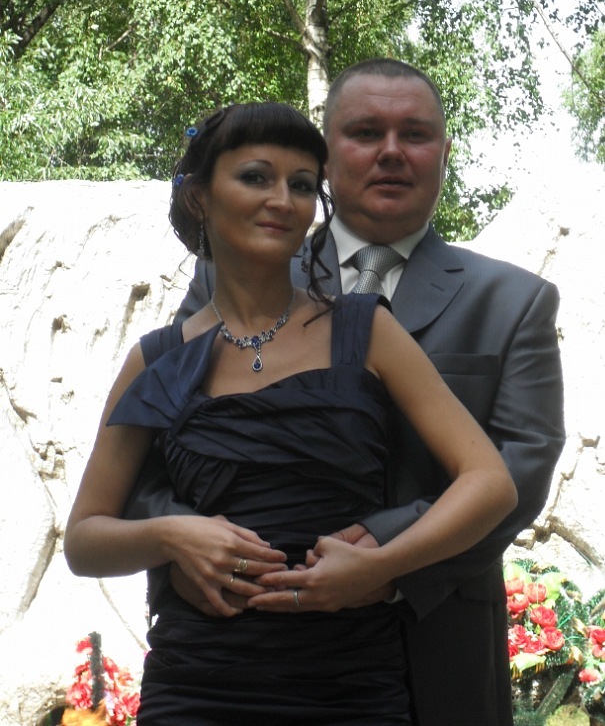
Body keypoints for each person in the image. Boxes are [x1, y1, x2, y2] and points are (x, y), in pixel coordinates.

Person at [64, 101, 518, 725]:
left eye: (302, 185)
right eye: (256, 177)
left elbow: (490, 484)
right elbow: (84, 540)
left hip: (351, 688)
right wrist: (170, 536)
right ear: (198, 197)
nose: (282, 199)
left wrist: (382, 566)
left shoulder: (366, 330)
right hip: (197, 689)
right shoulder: (156, 359)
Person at [166, 61, 566, 725]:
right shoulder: (227, 277)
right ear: (326, 154)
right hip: (241, 647)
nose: (391, 151)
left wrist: (386, 556)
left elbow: (520, 469)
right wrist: (178, 546)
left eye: (415, 133)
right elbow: (154, 444)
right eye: (365, 132)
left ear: (444, 153)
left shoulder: (513, 301)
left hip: (435, 649)